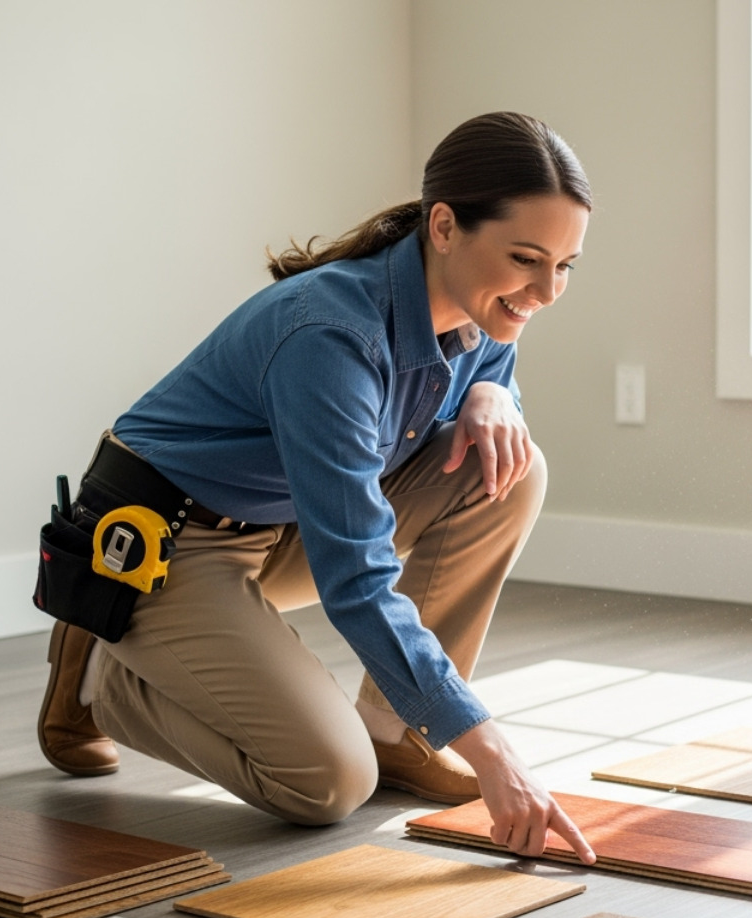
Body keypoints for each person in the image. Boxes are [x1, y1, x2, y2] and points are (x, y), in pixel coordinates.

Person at [35, 111, 596, 865]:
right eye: (528, 258)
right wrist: (494, 752)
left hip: (274, 524)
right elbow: (356, 578)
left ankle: (398, 732)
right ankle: (106, 675)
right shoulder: (331, 336)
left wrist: (497, 398)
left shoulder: (474, 311)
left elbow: (491, 368)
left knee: (511, 472)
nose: (547, 290)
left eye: (565, 265)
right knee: (326, 784)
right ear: (443, 226)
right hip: (165, 543)